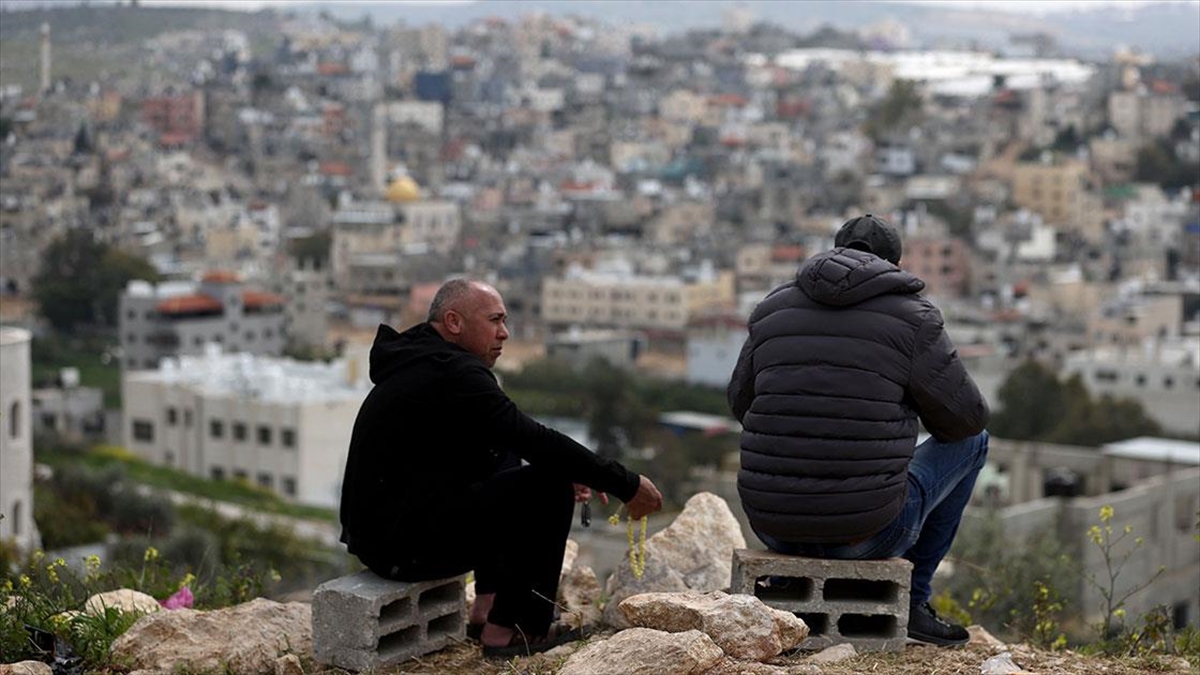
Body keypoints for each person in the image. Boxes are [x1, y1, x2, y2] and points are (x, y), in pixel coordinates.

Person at [339, 278, 663, 658]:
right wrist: (627, 484)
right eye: (494, 320)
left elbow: (509, 439)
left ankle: (487, 606)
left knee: (505, 453)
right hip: (401, 548)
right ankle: (514, 630)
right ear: (455, 322)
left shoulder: (424, 359)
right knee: (549, 484)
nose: (505, 333)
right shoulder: (452, 372)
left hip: (389, 534)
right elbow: (536, 438)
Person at [727, 214, 990, 647]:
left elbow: (741, 402)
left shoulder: (772, 310)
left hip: (772, 526)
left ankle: (787, 577)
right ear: (893, 263)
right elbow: (966, 420)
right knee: (974, 443)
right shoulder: (915, 318)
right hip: (870, 533)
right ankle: (916, 602)